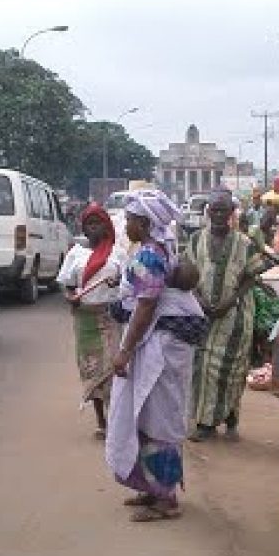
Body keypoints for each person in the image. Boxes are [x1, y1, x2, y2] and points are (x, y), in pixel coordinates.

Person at [106, 190, 207, 522]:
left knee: (160, 419)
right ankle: (150, 487)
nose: (126, 223)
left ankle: (165, 498)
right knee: (146, 415)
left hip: (160, 347)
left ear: (146, 223)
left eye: (131, 219)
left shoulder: (151, 255)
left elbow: (145, 308)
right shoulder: (155, 249)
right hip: (157, 345)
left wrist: (124, 351)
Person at [184, 189, 270, 441]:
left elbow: (251, 277)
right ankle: (205, 423)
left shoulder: (244, 243)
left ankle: (230, 415)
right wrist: (199, 299)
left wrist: (230, 300)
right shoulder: (195, 240)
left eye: (224, 210)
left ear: (232, 213)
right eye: (215, 209)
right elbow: (188, 273)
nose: (219, 214)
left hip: (235, 316)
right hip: (201, 315)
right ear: (208, 211)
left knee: (232, 368)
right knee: (203, 367)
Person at [57, 203, 124, 438]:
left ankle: (115, 419)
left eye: (98, 224)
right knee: (92, 370)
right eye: (90, 224)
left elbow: (127, 285)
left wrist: (118, 285)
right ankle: (101, 421)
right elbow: (66, 286)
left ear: (106, 227)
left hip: (110, 317)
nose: (94, 229)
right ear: (83, 228)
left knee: (113, 369)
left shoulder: (118, 254)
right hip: (85, 320)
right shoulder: (75, 254)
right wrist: (71, 298)